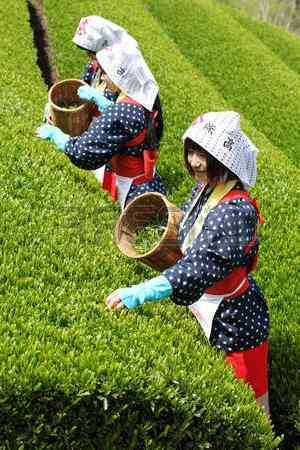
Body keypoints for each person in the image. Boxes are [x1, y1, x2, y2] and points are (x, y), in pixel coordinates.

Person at [106, 111, 270, 415]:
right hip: (204, 302)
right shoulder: (205, 188)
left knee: (250, 403)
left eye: (204, 155)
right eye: (191, 150)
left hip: (234, 317)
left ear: (226, 161)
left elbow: (201, 264)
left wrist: (144, 290)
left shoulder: (235, 210)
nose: (194, 161)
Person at [37, 43, 166, 209]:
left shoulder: (122, 112)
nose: (103, 78)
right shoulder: (142, 94)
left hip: (131, 185)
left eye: (106, 74)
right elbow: (127, 122)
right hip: (146, 174)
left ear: (122, 77)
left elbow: (83, 153)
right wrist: (102, 101)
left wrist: (57, 136)